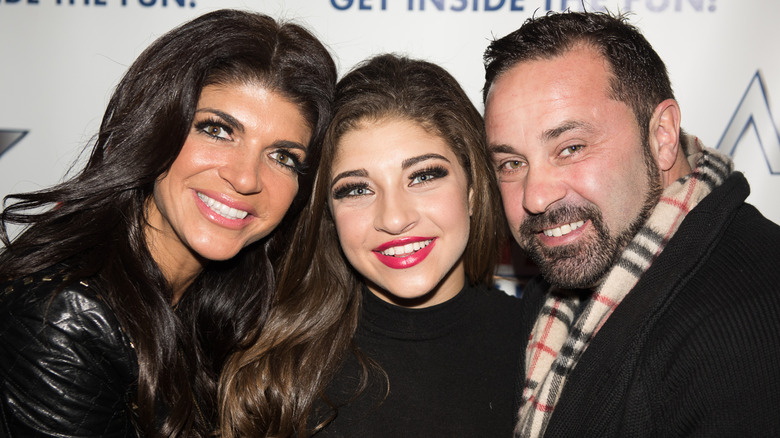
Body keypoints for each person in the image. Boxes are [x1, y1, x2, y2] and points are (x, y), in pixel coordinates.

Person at [0, 9, 335, 437]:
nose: (246, 178)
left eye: (283, 156)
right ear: (153, 129)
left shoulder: (229, 309)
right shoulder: (64, 319)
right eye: (217, 130)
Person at [482, 10, 780, 438]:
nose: (535, 196)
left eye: (571, 148)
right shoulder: (557, 294)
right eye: (512, 163)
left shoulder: (744, 322)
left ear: (662, 136)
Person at [219, 54, 523, 437]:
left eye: (422, 176)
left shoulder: (543, 347)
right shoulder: (270, 370)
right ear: (329, 214)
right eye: (357, 189)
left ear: (473, 191)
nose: (393, 219)